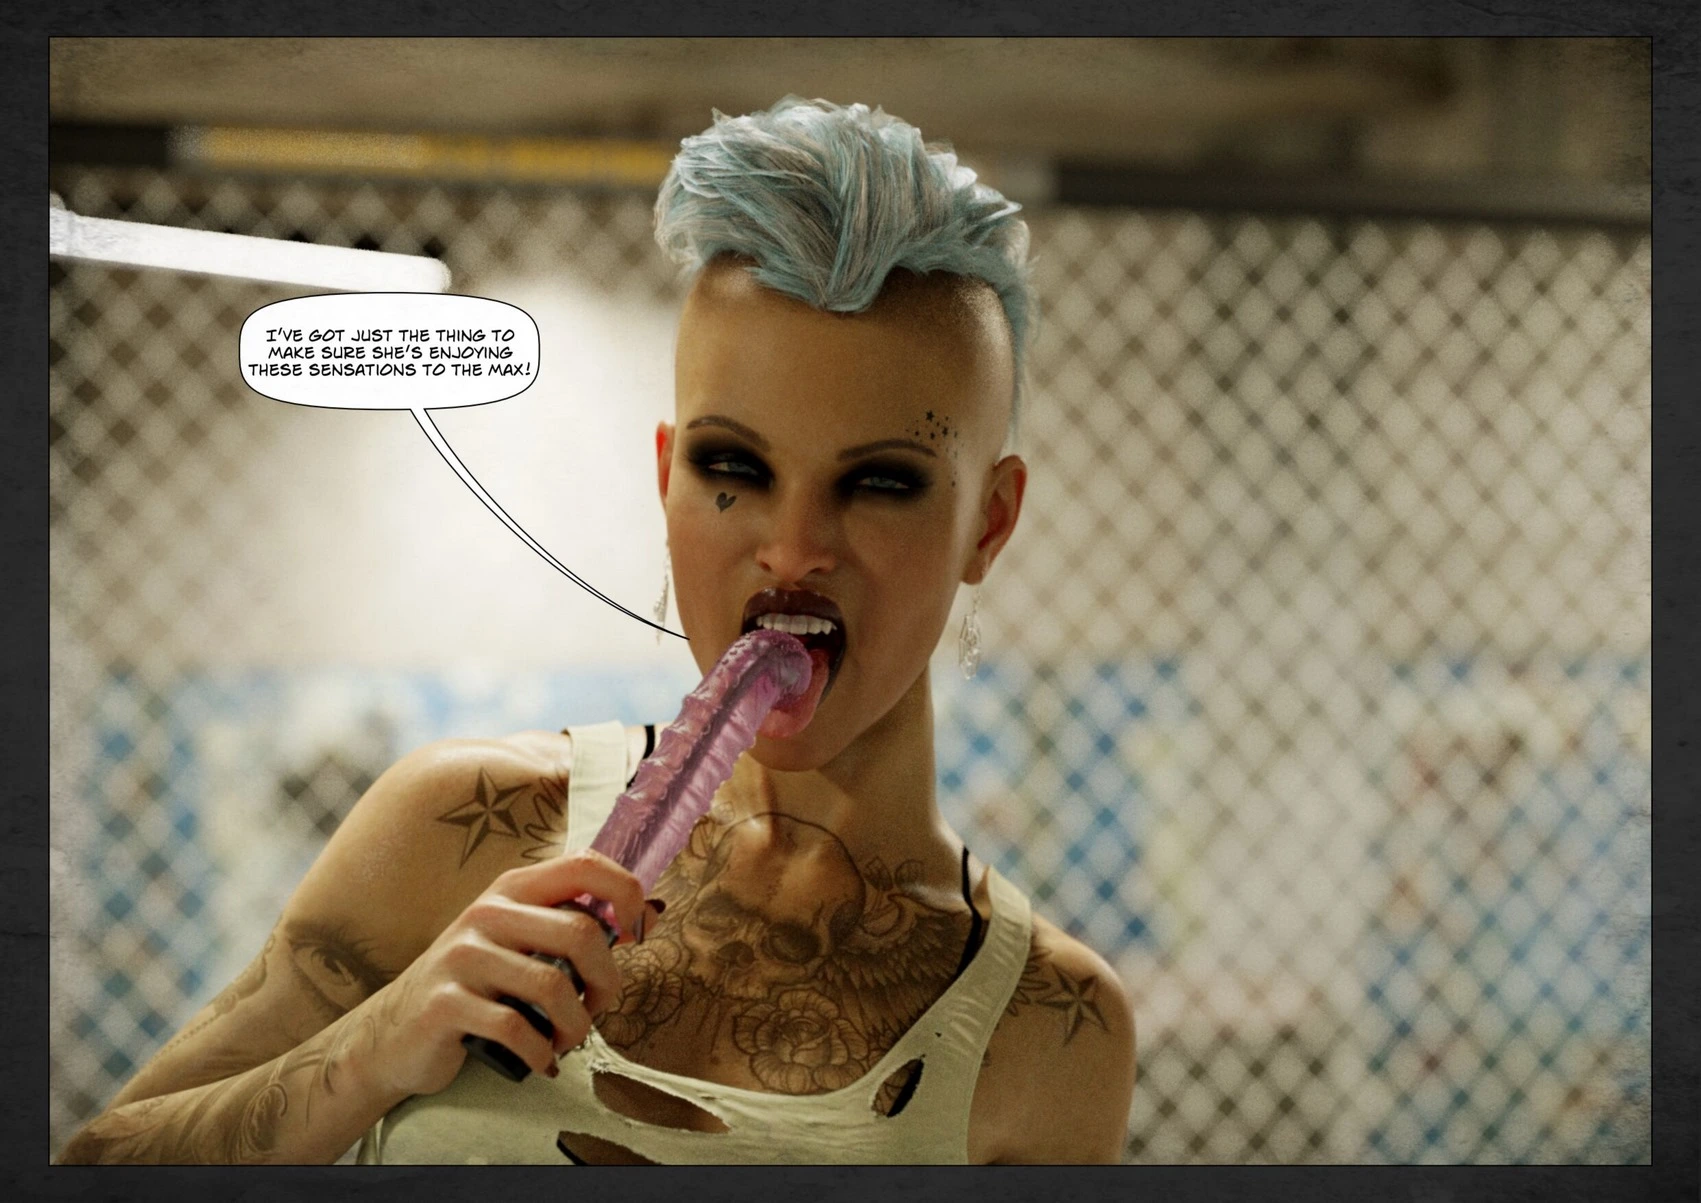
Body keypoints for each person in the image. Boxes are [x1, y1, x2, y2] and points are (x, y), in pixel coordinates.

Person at [58, 96, 1137, 1165]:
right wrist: (373, 1046)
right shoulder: (461, 827)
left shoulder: (1053, 1026)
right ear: (668, 477)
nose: (793, 546)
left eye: (881, 482)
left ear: (988, 523)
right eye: (733, 465)